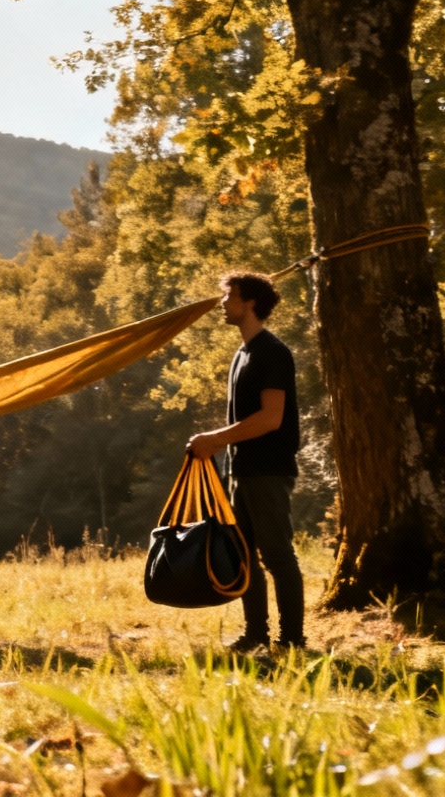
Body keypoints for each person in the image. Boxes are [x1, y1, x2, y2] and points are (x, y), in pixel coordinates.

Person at [186, 271, 306, 653]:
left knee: (277, 555)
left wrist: (215, 440)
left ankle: (292, 641)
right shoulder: (242, 353)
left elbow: (272, 417)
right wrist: (219, 451)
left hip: (269, 470)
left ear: (250, 301)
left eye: (229, 296)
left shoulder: (273, 352)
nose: (222, 303)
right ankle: (256, 635)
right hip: (240, 472)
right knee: (244, 556)